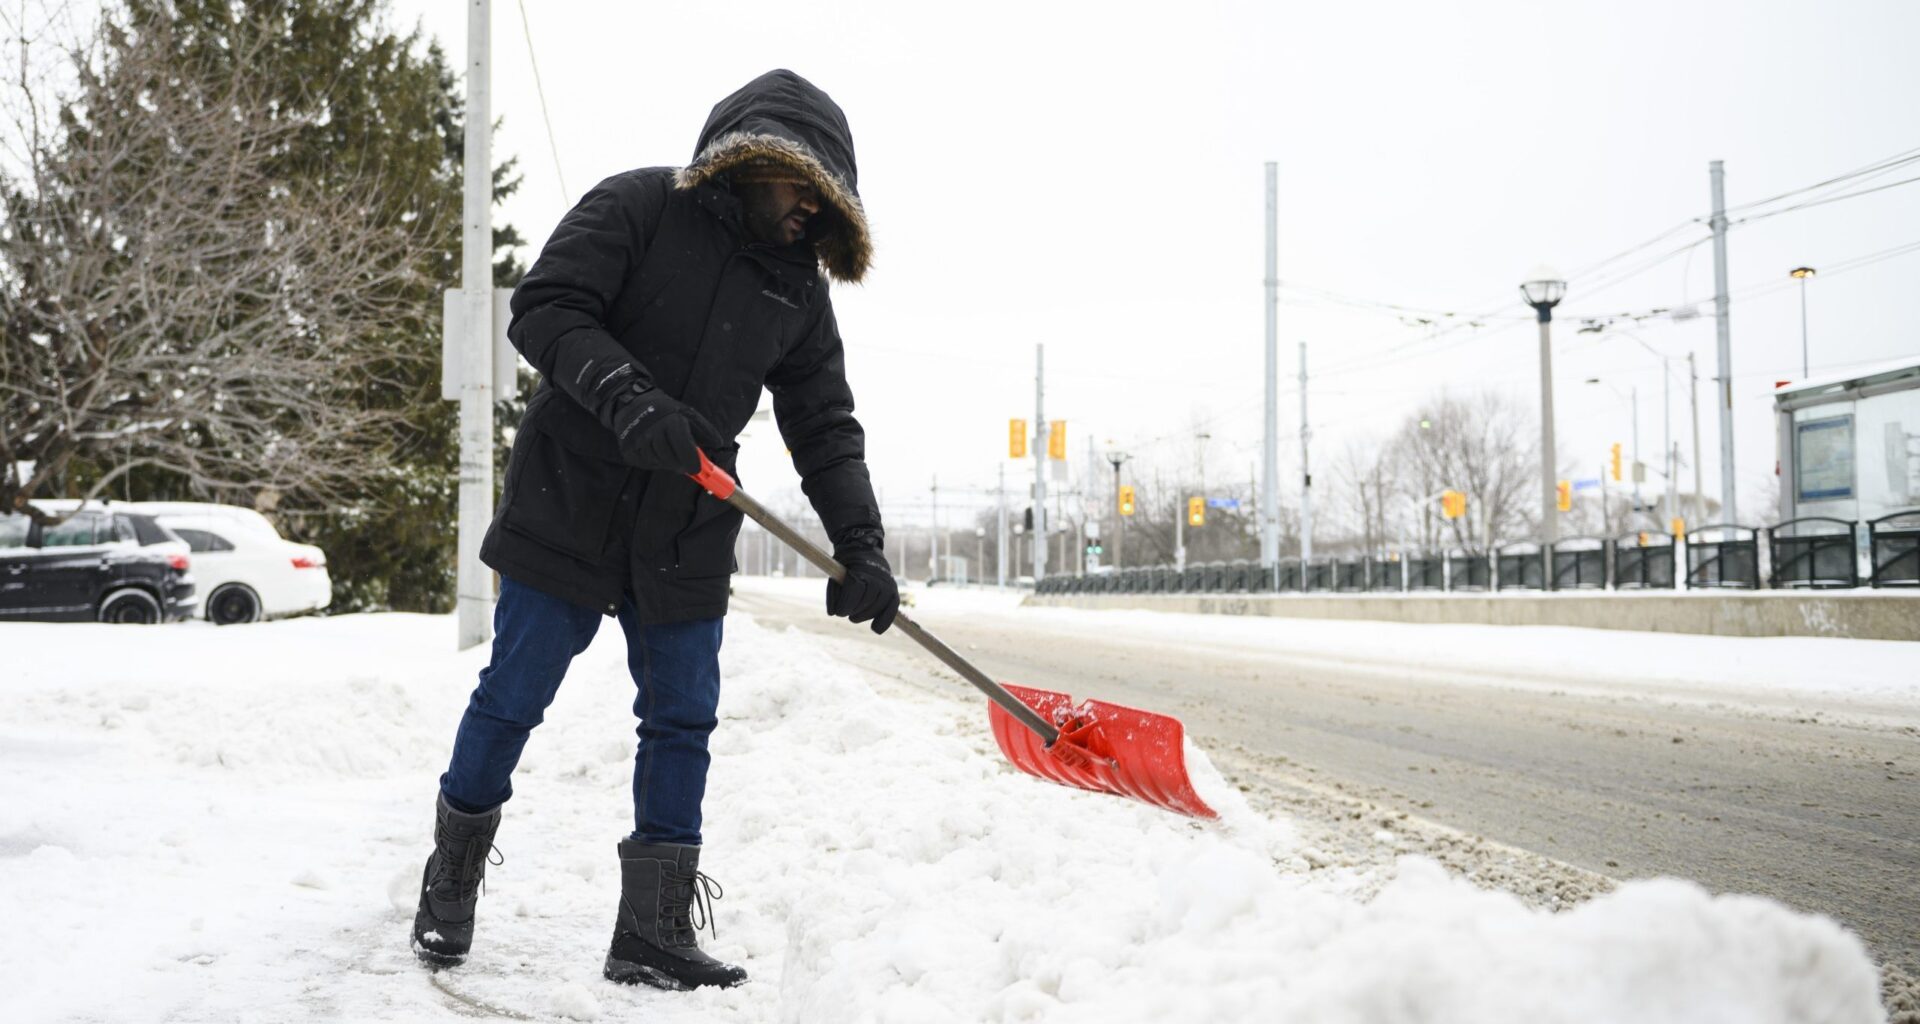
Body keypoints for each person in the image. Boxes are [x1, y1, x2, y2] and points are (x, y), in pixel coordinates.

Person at [411, 69, 899, 992]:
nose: (811, 214)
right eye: (804, 190)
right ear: (758, 165)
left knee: (681, 719)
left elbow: (824, 426)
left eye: (827, 202)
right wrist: (627, 396)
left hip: (684, 523)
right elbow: (545, 307)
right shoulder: (639, 205)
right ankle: (452, 878)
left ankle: (653, 931)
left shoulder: (798, 291)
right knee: (513, 694)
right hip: (570, 498)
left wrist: (861, 545)